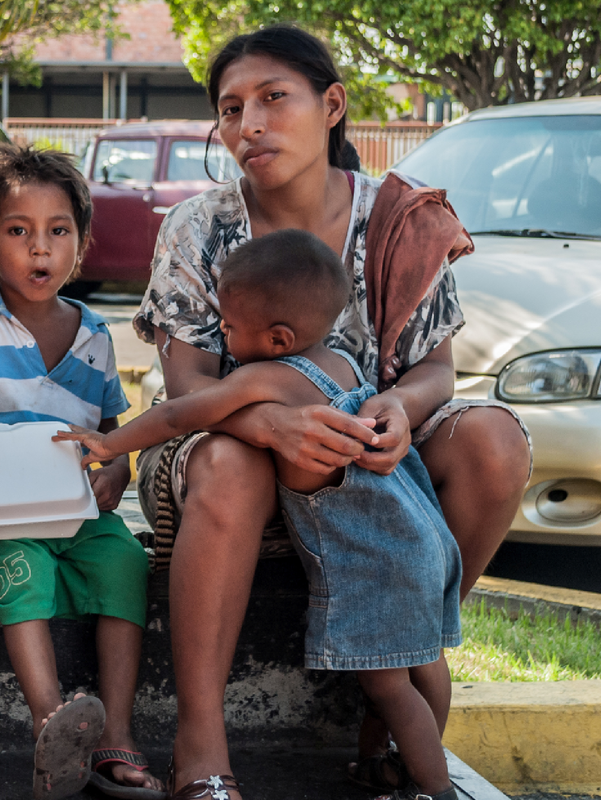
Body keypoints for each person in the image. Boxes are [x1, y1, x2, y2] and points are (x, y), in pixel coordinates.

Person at [131, 25, 531, 800]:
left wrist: (396, 408)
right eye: (231, 108)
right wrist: (269, 424)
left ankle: (395, 693)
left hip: (366, 464)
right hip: (218, 447)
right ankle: (201, 747)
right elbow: (189, 390)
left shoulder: (402, 218)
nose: (249, 124)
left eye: (274, 98)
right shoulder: (199, 226)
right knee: (233, 459)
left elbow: (437, 371)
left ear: (333, 105)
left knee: (495, 442)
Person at [58, 229, 462, 800]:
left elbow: (179, 415)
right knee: (427, 667)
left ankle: (434, 788)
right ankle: (407, 771)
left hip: (372, 567)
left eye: (228, 326)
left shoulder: (264, 378)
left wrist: (107, 445)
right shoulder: (346, 366)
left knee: (392, 687)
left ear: (277, 338)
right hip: (423, 540)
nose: (221, 333)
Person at [0, 143, 165, 800]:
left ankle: (116, 730)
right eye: (18, 232)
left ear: (81, 243)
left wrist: (118, 472)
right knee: (28, 567)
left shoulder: (95, 335)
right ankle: (51, 722)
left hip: (68, 507)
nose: (39, 249)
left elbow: (112, 433)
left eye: (58, 232)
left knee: (126, 564)